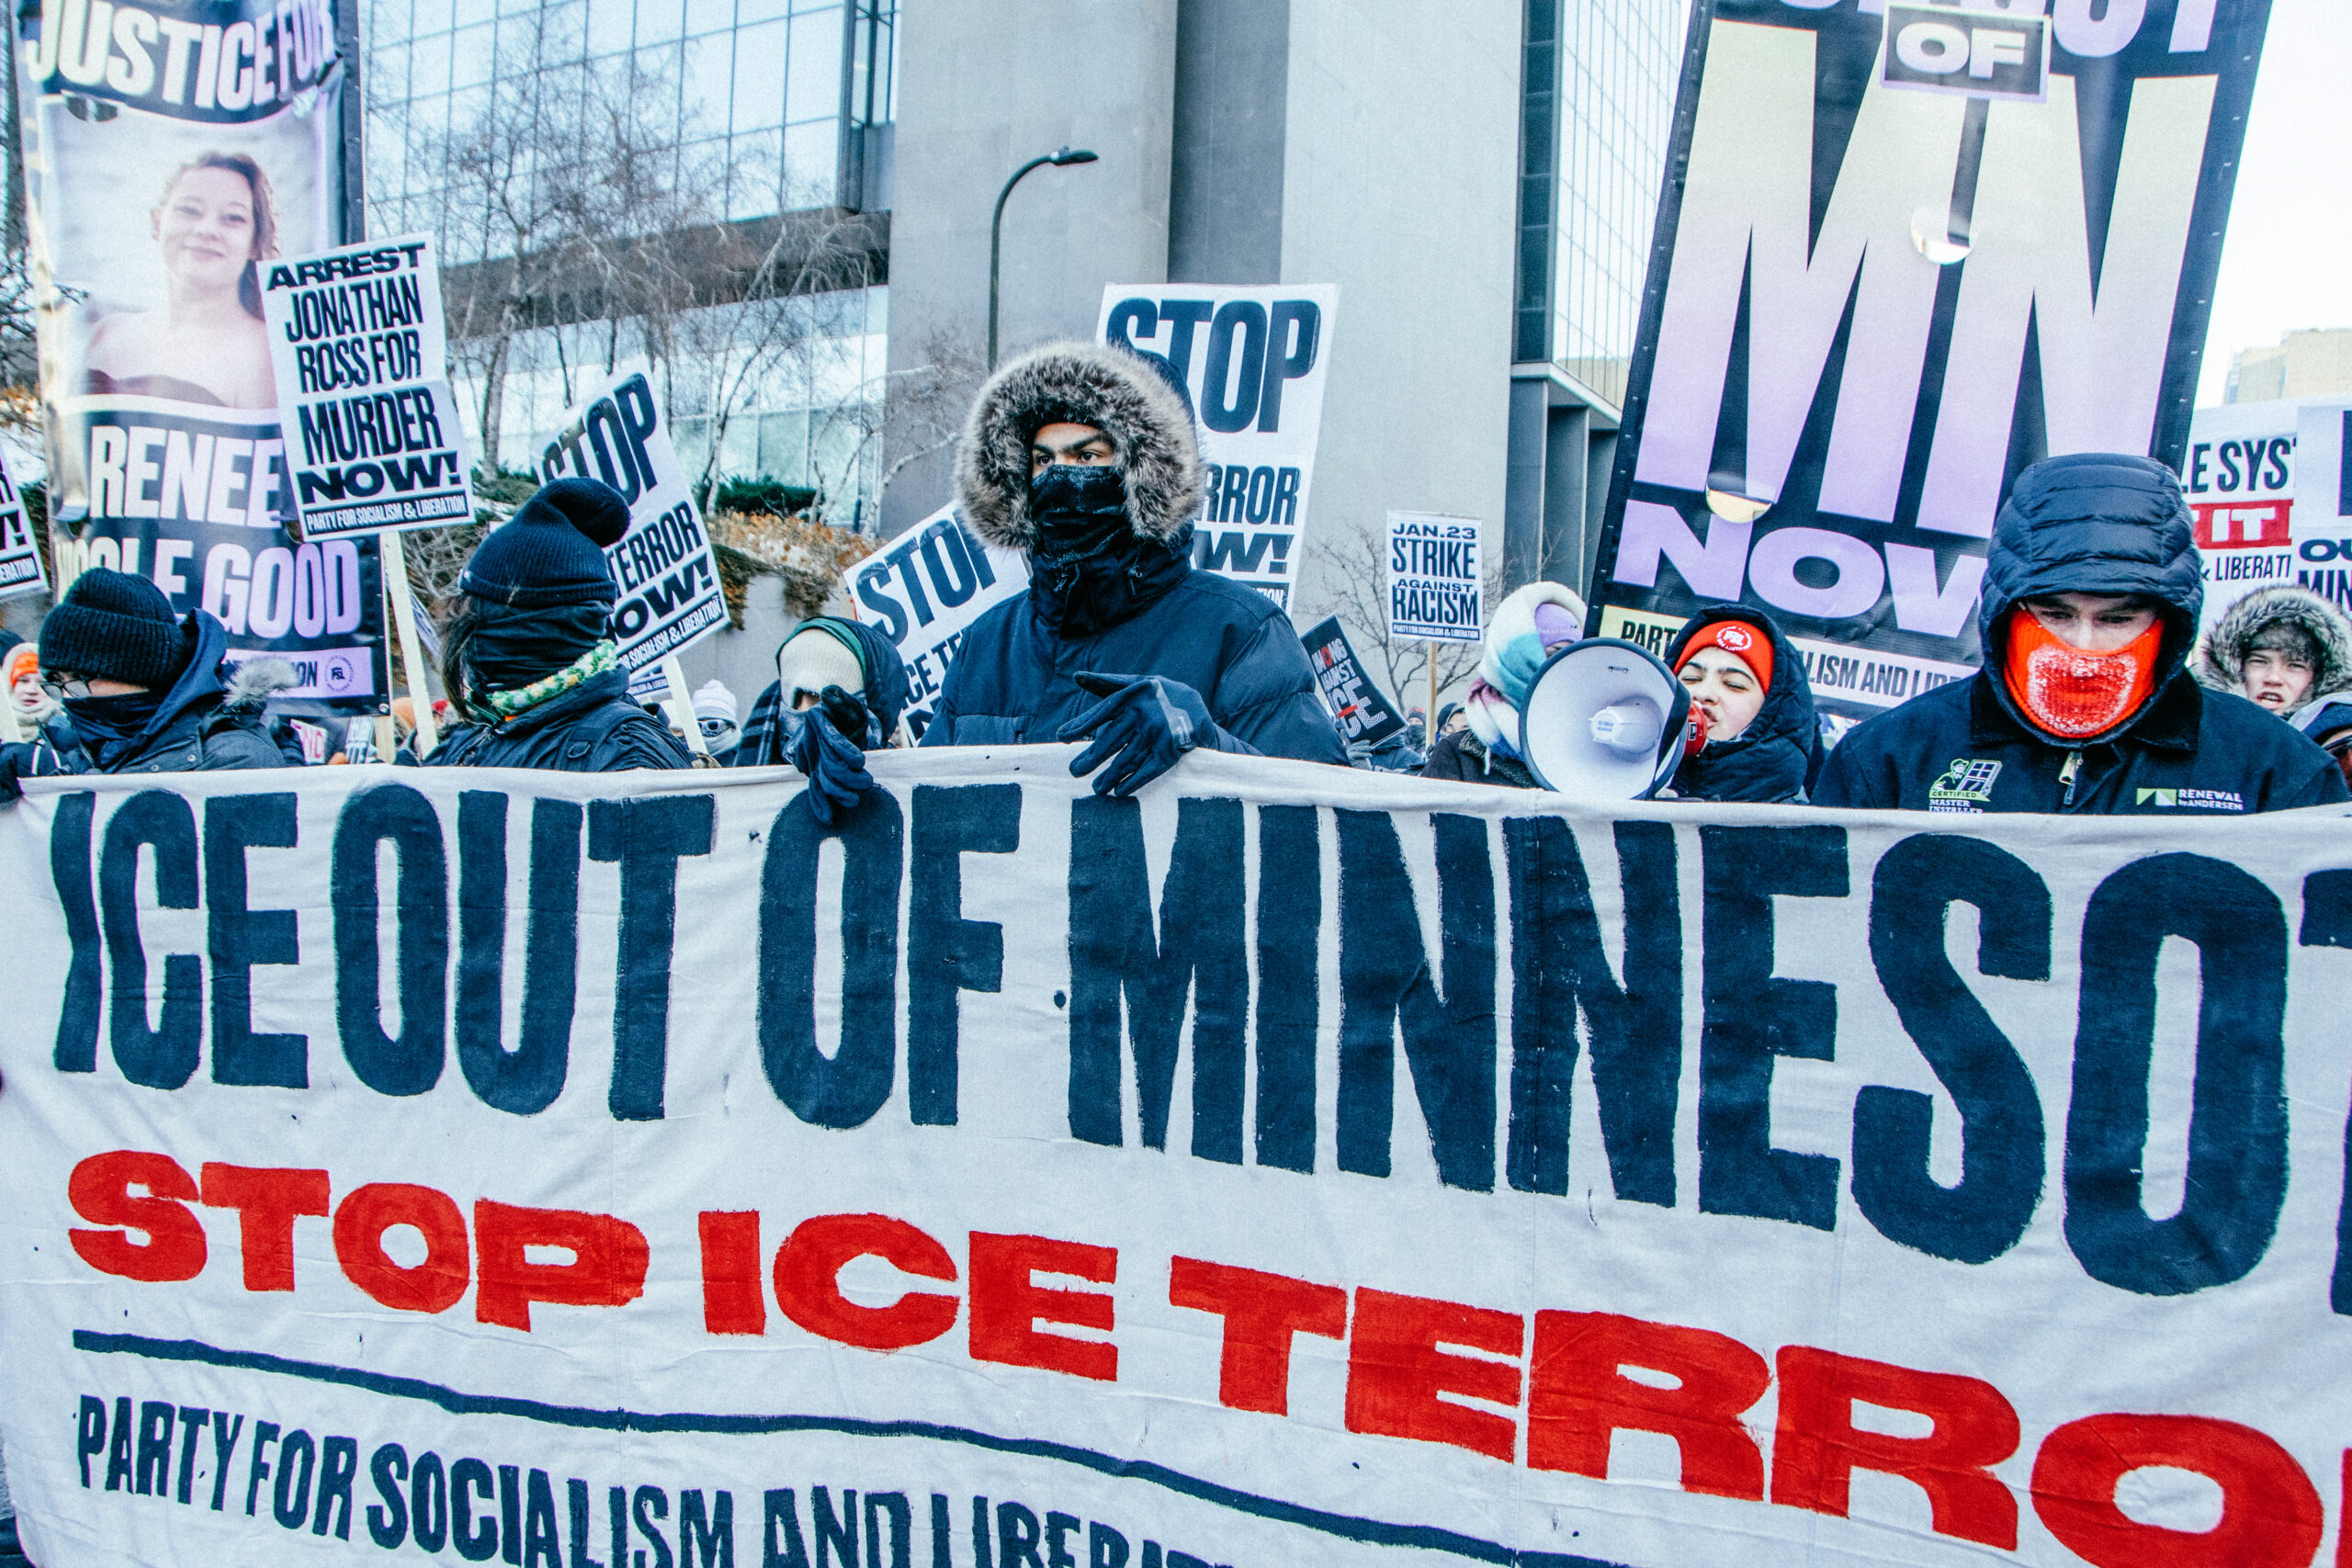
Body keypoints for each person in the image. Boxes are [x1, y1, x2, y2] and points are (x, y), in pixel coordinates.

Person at [1814, 453, 2348, 814]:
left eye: (2117, 620)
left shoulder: (2276, 769)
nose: (2083, 648)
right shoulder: (1890, 756)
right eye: (2055, 614)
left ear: (2169, 623)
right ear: (2006, 614)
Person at [919, 342, 1346, 794]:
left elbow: (1324, 808)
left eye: (1086, 457)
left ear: (1147, 472)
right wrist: (868, 780)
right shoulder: (987, 643)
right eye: (1043, 459)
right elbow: (924, 803)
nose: (1058, 478)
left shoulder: (1242, 632)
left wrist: (1207, 745)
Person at [425, 477, 695, 773]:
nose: (459, 633)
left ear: (528, 630)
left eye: (469, 613)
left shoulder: (627, 754)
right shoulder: (472, 735)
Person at [0, 568, 293, 795]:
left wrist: (69, 783)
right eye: (57, 683)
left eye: (77, 679)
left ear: (138, 672)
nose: (69, 698)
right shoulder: (85, 744)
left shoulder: (236, 756)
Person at [84, 153, 279, 409]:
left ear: (255, 241)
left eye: (233, 217)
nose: (206, 230)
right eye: (189, 210)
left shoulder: (269, 351)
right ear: (157, 222)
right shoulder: (108, 335)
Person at [730, 615, 911, 822]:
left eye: (817, 697)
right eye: (794, 697)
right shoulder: (734, 794)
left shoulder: (909, 789)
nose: (804, 710)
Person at [1420, 582, 1583, 787]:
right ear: (1517, 661)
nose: (1564, 667)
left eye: (1575, 656)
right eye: (1552, 655)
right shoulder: (1456, 755)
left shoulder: (1593, 750)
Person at [2194, 583, 2352, 785]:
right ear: (2235, 666)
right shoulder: (2196, 727)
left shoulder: (2340, 742)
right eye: (2260, 661)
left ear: (2320, 677)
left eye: (2295, 666)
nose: (2273, 678)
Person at [1663, 605, 1818, 803]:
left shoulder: (1793, 820)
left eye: (1733, 684)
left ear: (1770, 712)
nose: (1703, 694)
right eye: (1691, 678)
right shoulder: (1626, 791)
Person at [692, 680, 741, 757]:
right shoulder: (683, 754)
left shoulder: (744, 755)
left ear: (729, 726)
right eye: (699, 726)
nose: (705, 731)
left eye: (712, 725)